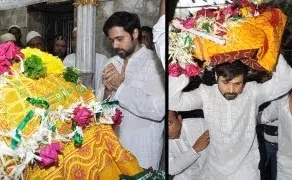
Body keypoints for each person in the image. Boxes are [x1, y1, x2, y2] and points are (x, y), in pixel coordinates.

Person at [169, 55, 292, 180]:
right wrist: (183, 63)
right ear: (216, 77)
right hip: (215, 170)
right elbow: (172, 101)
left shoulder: (252, 92)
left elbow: (286, 81)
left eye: (237, 83)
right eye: (226, 83)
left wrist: (270, 50)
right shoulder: (205, 94)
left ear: (244, 80)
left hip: (246, 170)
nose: (231, 90)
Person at [101, 11, 165, 170]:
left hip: (142, 152)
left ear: (135, 33)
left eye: (119, 39)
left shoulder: (155, 63)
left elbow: (158, 110)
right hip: (114, 148)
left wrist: (120, 87)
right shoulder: (112, 62)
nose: (115, 45)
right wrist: (108, 92)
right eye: (112, 40)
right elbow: (102, 109)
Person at [260, 89, 292, 180]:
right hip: (269, 144)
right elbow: (263, 116)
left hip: (276, 144)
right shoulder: (280, 101)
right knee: (263, 168)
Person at [63, 27, 108, 92]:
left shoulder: (102, 59)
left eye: (80, 38)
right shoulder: (68, 59)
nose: (76, 42)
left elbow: (105, 87)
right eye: (74, 39)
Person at [169, 111, 209, 180]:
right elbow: (171, 169)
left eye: (169, 123)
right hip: (186, 176)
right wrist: (195, 149)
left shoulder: (200, 124)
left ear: (179, 119)